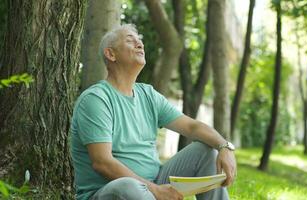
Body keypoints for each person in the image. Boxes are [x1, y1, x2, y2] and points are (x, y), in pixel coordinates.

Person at [70, 24, 236, 200]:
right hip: (112, 191)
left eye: (139, 40)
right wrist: (155, 191)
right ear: (111, 54)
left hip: (153, 183)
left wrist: (225, 147)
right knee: (129, 187)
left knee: (206, 152)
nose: (139, 44)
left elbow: (192, 127)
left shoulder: (148, 95)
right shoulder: (96, 99)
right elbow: (102, 163)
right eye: (130, 40)